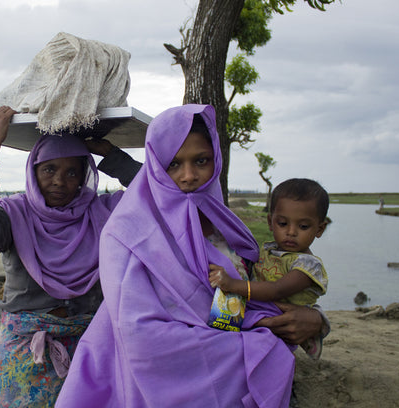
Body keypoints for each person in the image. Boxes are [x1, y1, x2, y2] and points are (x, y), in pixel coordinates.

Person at [56, 104, 327, 408]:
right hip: (163, 380)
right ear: (156, 167)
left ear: (216, 160)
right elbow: (140, 337)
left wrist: (313, 318)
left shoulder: (228, 225)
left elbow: (258, 290)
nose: (188, 176)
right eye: (173, 164)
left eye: (201, 161)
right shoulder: (127, 234)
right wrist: (251, 343)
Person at [0, 105, 141, 407]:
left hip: (89, 348)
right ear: (33, 171)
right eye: (49, 170)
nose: (60, 181)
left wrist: (110, 153)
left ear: (85, 175)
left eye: (72, 172)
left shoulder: (104, 212)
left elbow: (161, 195)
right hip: (23, 351)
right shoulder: (15, 213)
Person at [209, 178, 329, 359]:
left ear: (320, 229)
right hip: (258, 306)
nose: (291, 232)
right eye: (282, 224)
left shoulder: (308, 265)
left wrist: (232, 284)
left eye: (303, 226)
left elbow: (276, 290)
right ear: (270, 222)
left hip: (279, 320)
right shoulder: (269, 249)